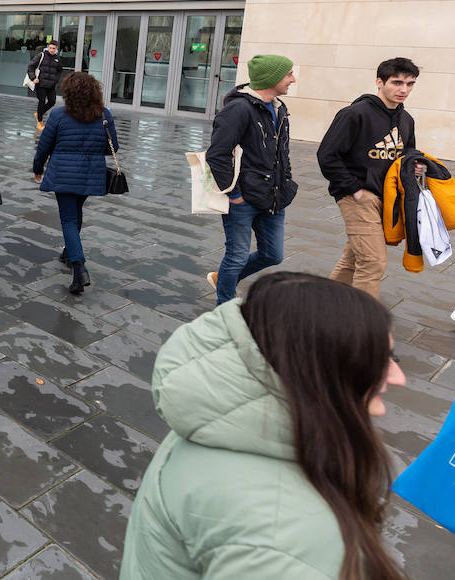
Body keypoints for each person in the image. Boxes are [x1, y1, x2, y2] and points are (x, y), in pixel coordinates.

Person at [120, 272, 408, 580]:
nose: (397, 377)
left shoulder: (219, 415)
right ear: (320, 373)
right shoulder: (286, 535)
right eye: (377, 360)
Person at [316, 57, 420, 300]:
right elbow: (327, 155)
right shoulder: (354, 114)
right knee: (373, 262)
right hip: (358, 197)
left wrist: (414, 167)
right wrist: (354, 189)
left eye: (410, 84)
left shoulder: (407, 120)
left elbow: (406, 156)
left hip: (387, 199)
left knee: (354, 260)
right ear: (379, 82)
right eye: (396, 82)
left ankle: (321, 305)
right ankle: (362, 328)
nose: (403, 89)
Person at [204, 55, 297, 305]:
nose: (293, 79)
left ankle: (221, 277)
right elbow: (217, 154)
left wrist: (286, 183)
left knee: (273, 255)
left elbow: (281, 153)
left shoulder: (278, 107)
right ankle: (224, 307)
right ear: (272, 78)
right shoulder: (239, 109)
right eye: (288, 74)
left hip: (274, 196)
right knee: (236, 256)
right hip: (243, 199)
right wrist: (233, 194)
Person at [32, 72, 118, 295]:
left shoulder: (59, 115)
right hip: (91, 173)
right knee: (76, 211)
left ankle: (79, 268)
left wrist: (37, 168)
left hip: (63, 173)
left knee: (68, 218)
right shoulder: (104, 114)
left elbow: (44, 145)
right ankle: (68, 254)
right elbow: (113, 148)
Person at [27, 40, 64, 130]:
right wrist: (33, 78)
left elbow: (59, 70)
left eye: (53, 48)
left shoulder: (57, 58)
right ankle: (39, 122)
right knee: (42, 102)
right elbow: (31, 66)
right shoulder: (41, 55)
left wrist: (56, 80)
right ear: (48, 47)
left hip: (51, 85)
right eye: (50, 48)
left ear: (56, 49)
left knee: (52, 102)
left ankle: (39, 113)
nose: (51, 50)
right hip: (41, 84)